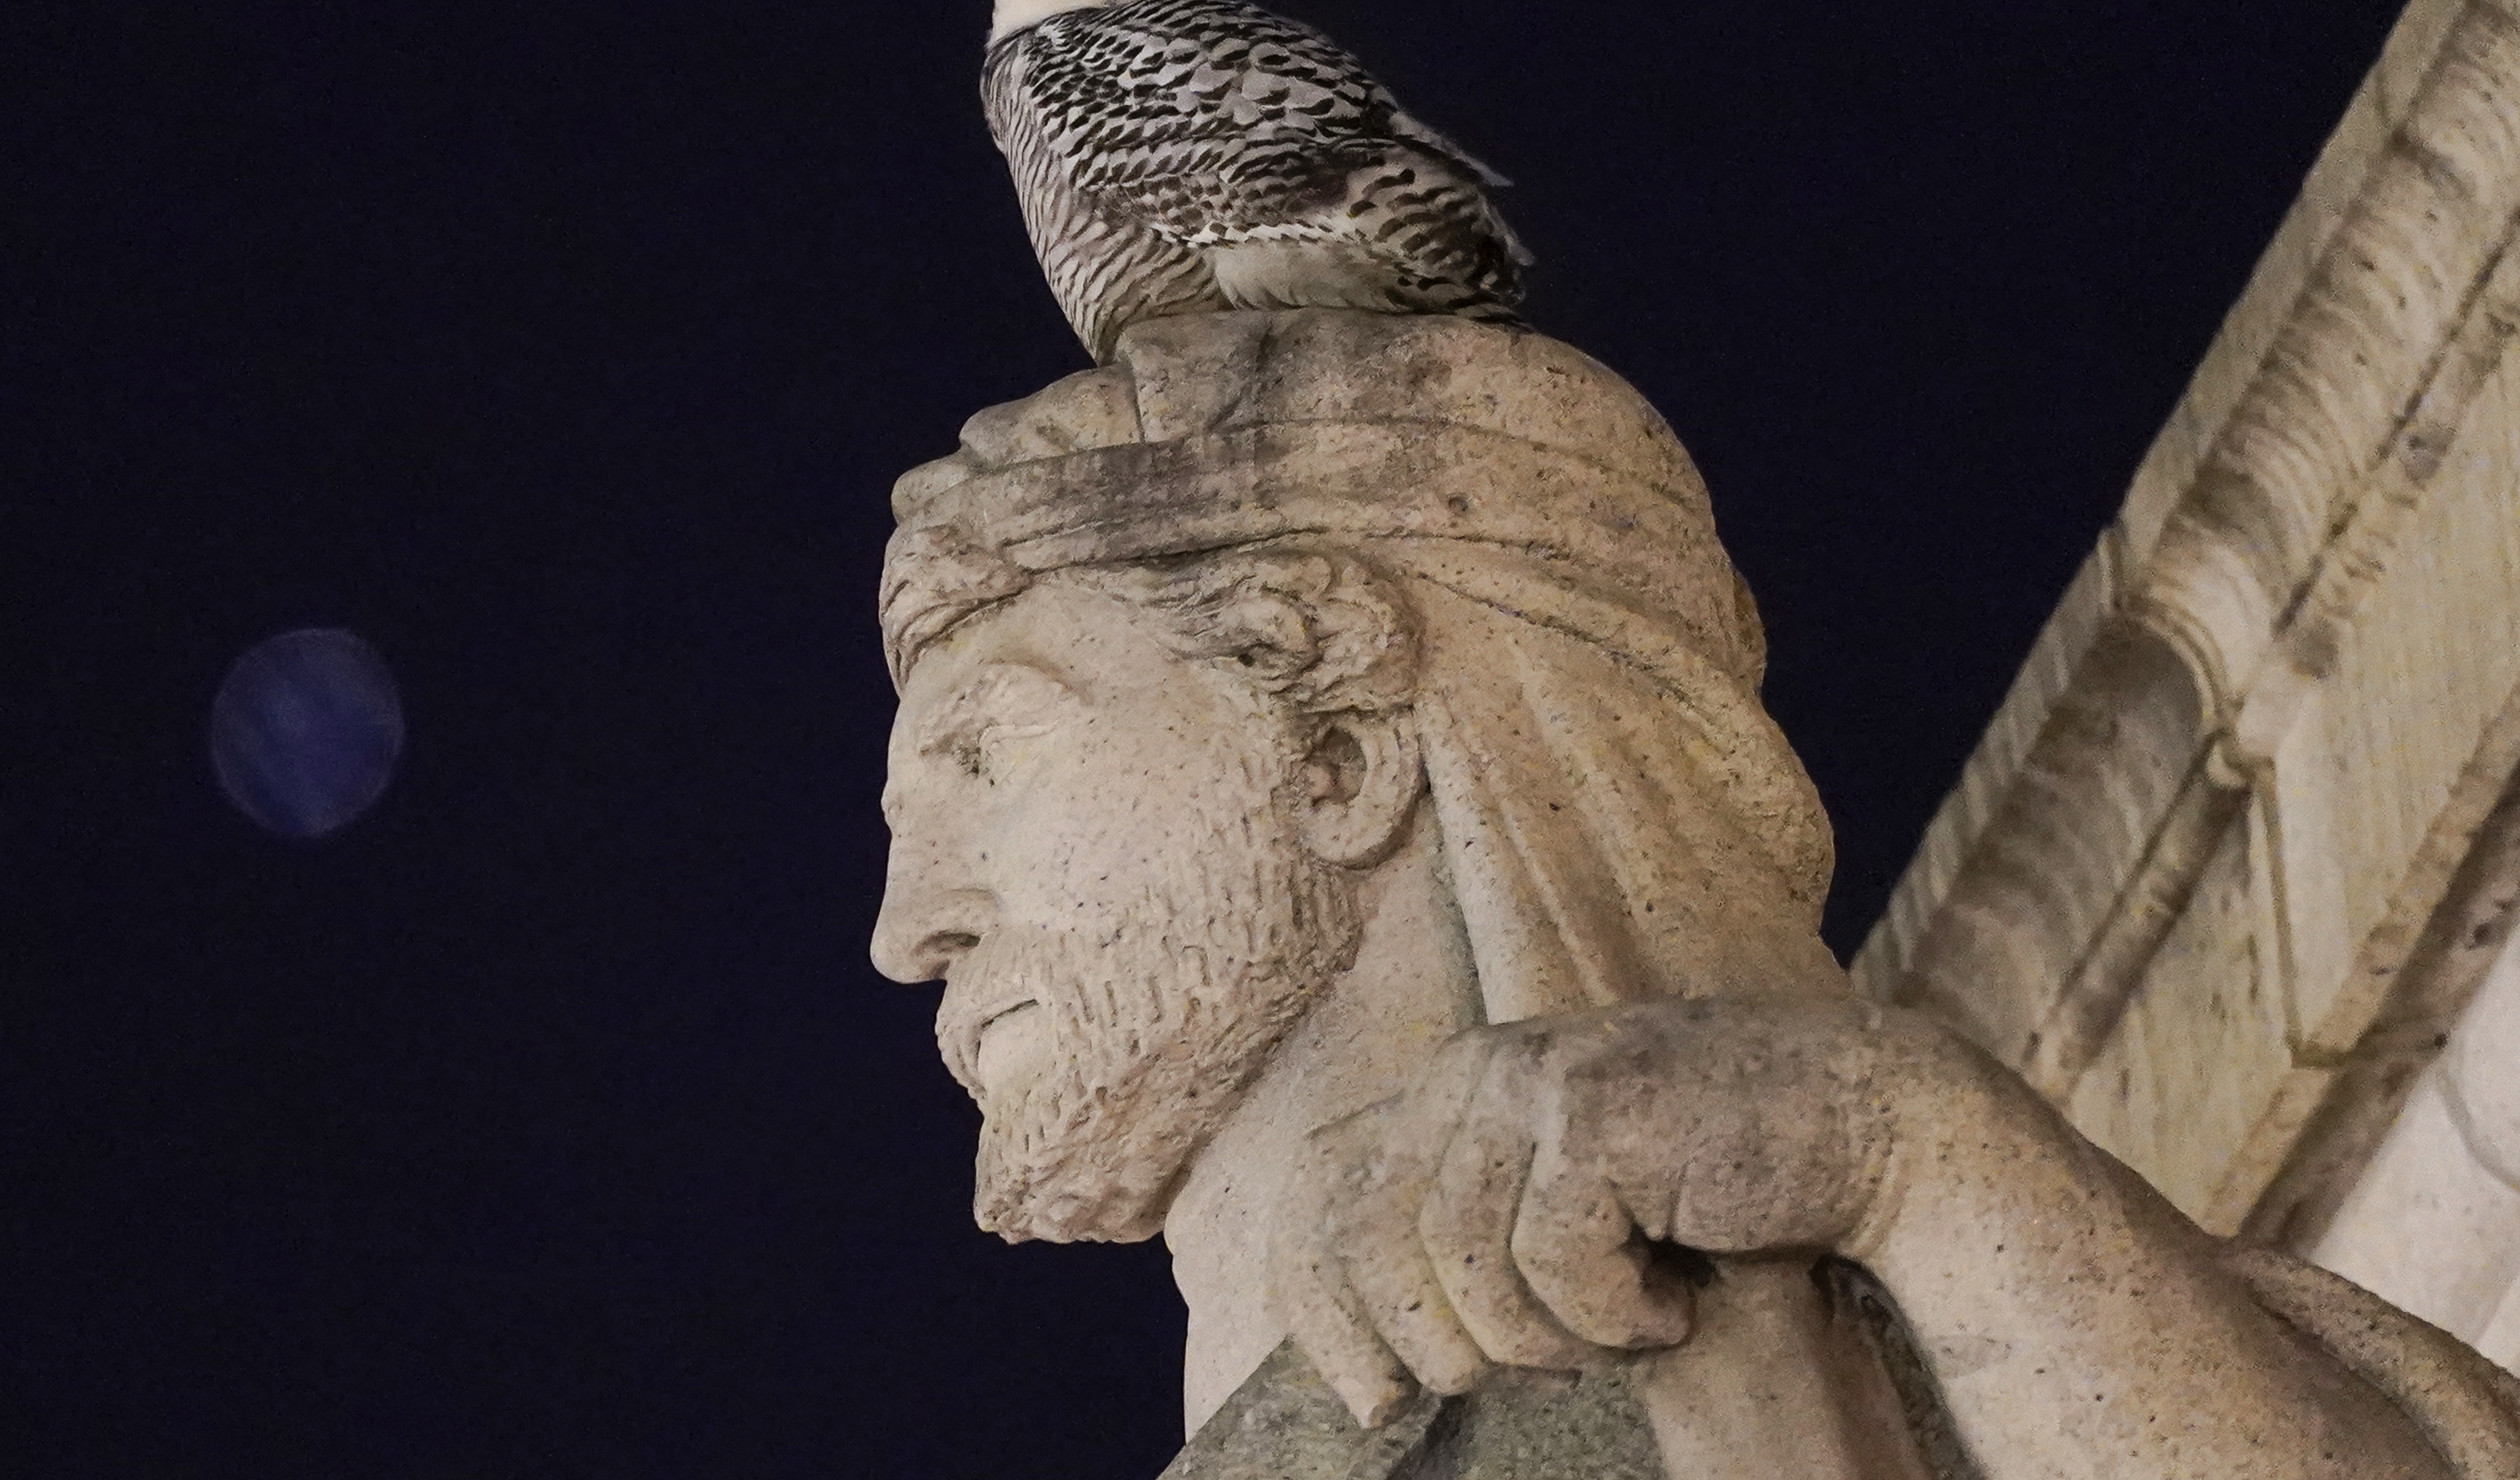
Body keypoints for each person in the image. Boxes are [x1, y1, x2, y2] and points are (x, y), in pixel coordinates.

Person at [872, 308, 2520, 1477]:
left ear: (1339, 748)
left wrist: (1906, 1154)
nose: (907, 928)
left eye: (988, 763)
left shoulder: (1993, 1296)